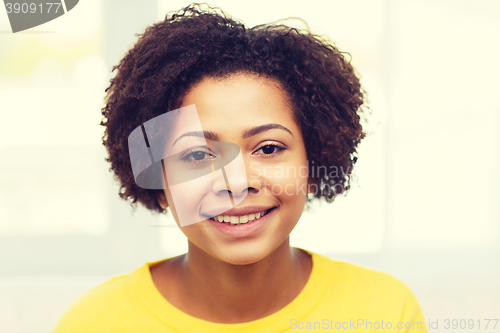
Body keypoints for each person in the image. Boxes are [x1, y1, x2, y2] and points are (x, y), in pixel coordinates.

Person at [53, 3, 428, 332]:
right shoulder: (94, 323)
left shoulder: (385, 313)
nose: (236, 182)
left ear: (314, 164)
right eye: (197, 155)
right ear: (160, 181)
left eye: (268, 148)